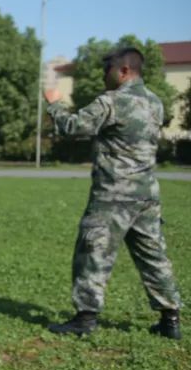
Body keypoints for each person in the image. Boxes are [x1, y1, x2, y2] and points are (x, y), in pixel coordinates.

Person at [44, 46, 181, 339]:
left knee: (92, 251)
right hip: (147, 196)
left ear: (124, 71)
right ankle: (171, 319)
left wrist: (54, 104)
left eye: (107, 71)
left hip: (113, 196)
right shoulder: (155, 103)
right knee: (154, 256)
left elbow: (73, 127)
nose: (103, 77)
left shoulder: (112, 102)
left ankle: (85, 318)